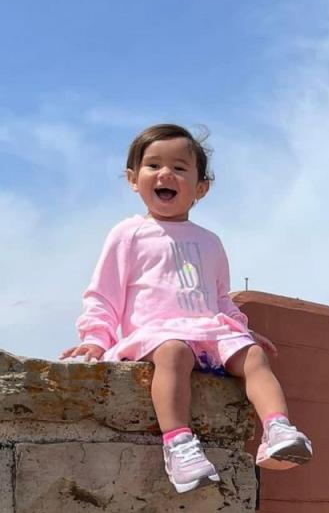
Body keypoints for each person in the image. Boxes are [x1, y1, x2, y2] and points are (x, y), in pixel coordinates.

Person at [60, 123, 312, 493]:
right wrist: (96, 339)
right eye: (153, 166)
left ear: (200, 188)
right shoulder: (128, 234)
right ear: (133, 179)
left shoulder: (211, 242)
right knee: (174, 352)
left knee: (254, 356)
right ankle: (178, 443)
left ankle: (277, 429)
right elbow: (104, 294)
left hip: (208, 329)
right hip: (157, 333)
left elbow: (220, 297)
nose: (165, 174)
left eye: (179, 168)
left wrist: (239, 328)